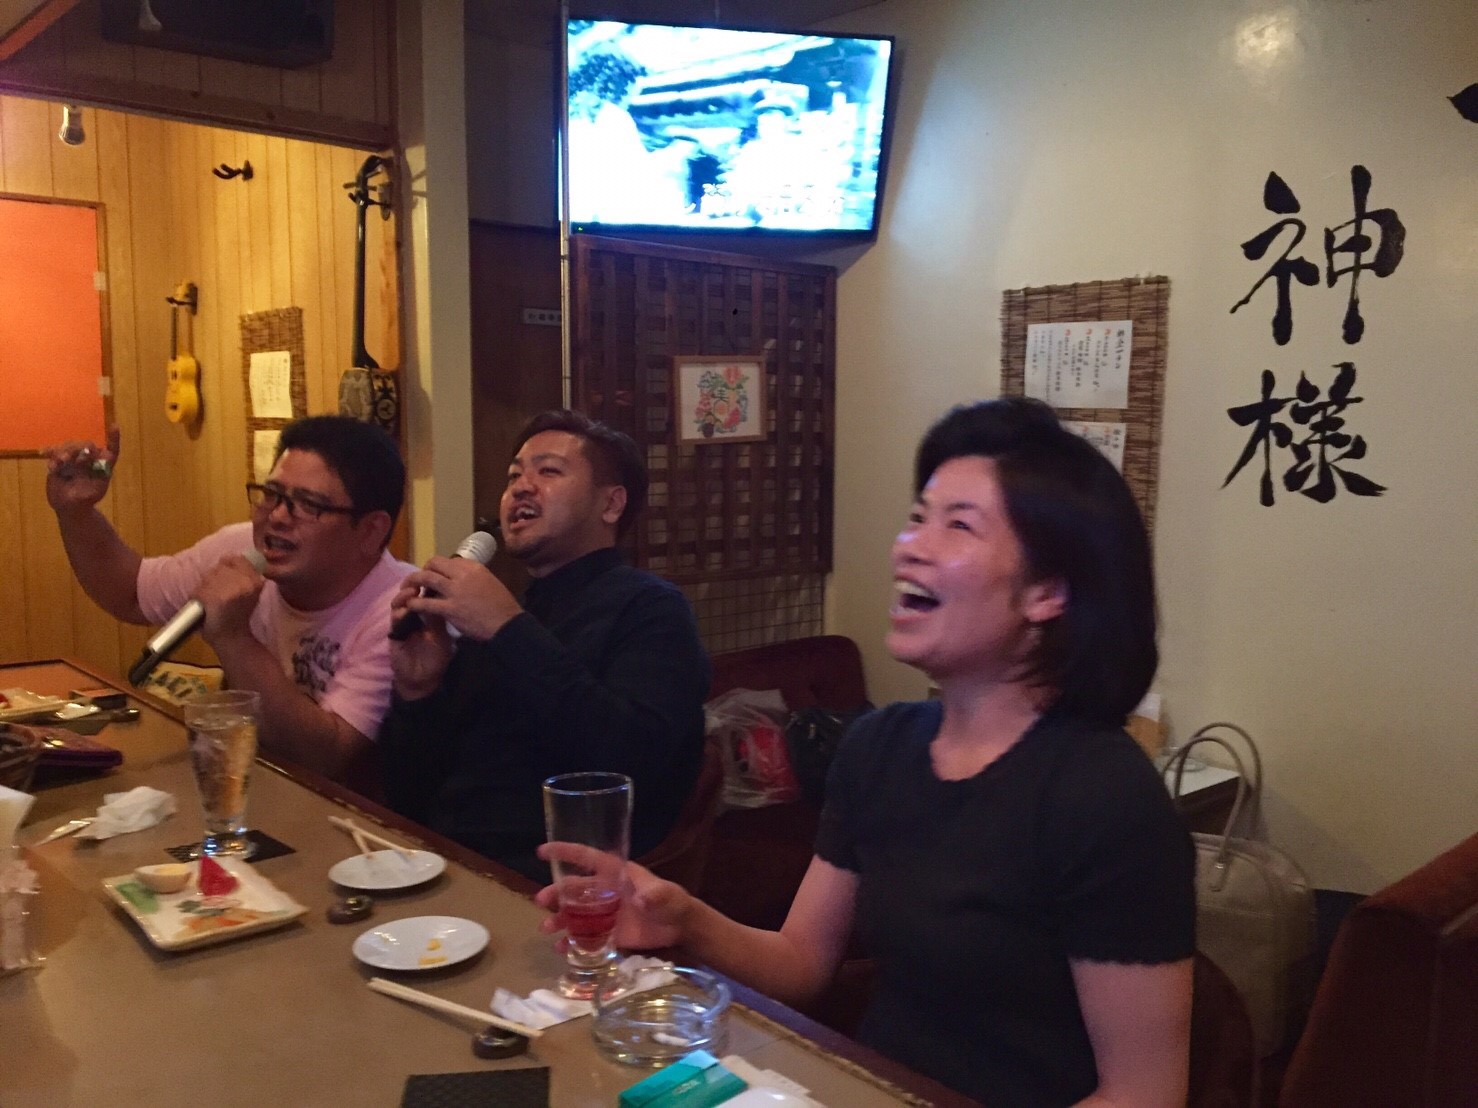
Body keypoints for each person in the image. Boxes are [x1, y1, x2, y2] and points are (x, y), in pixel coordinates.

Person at [538, 398, 1196, 1107]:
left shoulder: (1105, 797)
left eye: (958, 525)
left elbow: (1145, 1093)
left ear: (1048, 592)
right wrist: (686, 919)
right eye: (918, 516)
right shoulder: (881, 746)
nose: (909, 545)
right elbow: (802, 963)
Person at [379, 410, 710, 881]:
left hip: (557, 884)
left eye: (549, 471)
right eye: (513, 476)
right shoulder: (507, 613)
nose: (521, 488)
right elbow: (411, 796)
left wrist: (508, 629)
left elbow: (633, 763)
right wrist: (418, 693)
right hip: (444, 866)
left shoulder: (651, 608)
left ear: (611, 504)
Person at [46, 417, 413, 783]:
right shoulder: (240, 549)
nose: (278, 516)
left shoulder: (400, 610)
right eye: (272, 494)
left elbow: (324, 760)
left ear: (371, 531)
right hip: (249, 787)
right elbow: (130, 593)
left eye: (307, 504)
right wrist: (76, 513)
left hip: (344, 813)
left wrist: (234, 638)